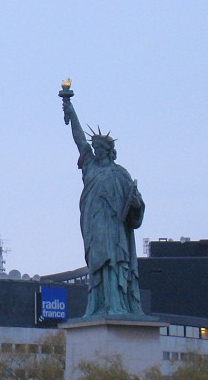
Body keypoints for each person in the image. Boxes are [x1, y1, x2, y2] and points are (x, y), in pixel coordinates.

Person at [60, 82, 146, 318]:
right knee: (98, 265)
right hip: (95, 225)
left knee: (115, 263)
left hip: (115, 227)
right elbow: (79, 139)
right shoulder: (89, 166)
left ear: (108, 151)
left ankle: (117, 305)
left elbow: (135, 207)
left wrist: (136, 205)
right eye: (94, 147)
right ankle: (99, 305)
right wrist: (68, 105)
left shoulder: (120, 174)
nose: (95, 151)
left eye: (100, 148)